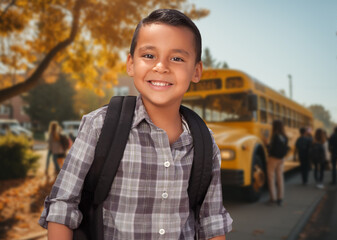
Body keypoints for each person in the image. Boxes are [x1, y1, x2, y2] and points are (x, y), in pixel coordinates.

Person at [39, 9, 232, 239]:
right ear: (130, 64)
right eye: (149, 55)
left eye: (177, 58)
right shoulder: (99, 126)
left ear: (196, 71)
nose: (161, 66)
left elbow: (212, 221)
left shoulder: (203, 141)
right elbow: (63, 205)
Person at [267, 120, 288, 206]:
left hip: (273, 159)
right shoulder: (285, 137)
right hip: (281, 159)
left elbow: (271, 149)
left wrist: (266, 144)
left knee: (271, 178)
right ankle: (280, 198)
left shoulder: (274, 136)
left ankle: (273, 198)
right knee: (280, 178)